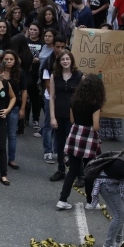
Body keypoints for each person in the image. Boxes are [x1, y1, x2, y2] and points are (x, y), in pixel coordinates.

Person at [56, 75, 104, 211]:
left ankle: (62, 199)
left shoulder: (74, 101)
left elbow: (72, 120)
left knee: (73, 170)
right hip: (88, 136)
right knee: (90, 171)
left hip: (75, 133)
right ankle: (90, 202)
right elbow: (95, 126)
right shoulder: (95, 104)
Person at [48, 50, 84, 182]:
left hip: (74, 116)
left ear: (71, 60)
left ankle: (80, 174)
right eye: (62, 59)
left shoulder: (79, 76)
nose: (65, 61)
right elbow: (52, 98)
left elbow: (82, 98)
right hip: (59, 113)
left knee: (74, 145)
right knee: (60, 143)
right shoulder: (55, 76)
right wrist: (52, 117)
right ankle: (61, 169)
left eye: (67, 59)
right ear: (59, 61)